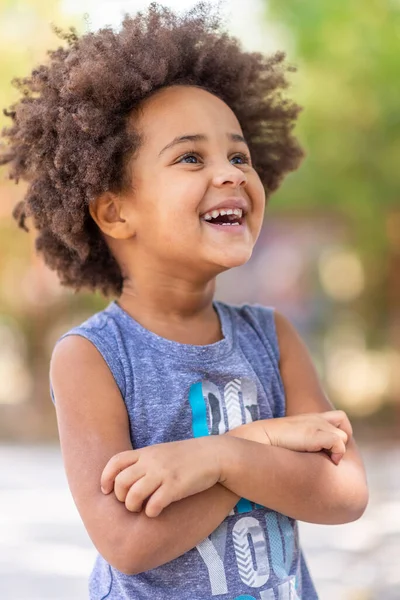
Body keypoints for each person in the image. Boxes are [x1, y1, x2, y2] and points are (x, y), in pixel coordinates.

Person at [1, 4, 368, 599]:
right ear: (116, 212)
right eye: (191, 157)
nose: (230, 174)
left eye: (240, 156)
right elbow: (127, 542)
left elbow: (346, 492)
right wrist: (261, 444)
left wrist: (221, 458)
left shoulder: (272, 337)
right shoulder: (92, 357)